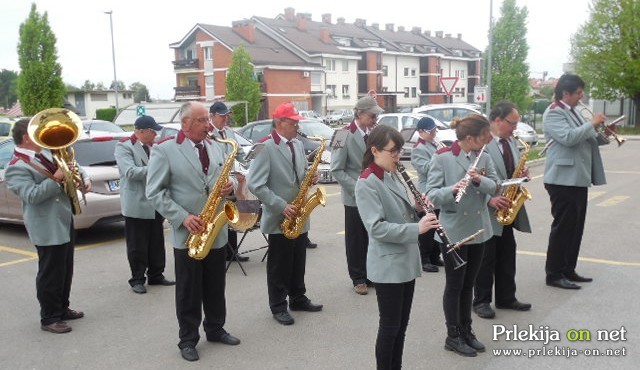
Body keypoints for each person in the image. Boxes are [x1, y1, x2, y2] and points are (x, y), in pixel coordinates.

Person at [146, 101, 241, 362]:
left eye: (207, 120)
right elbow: (154, 192)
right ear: (185, 123)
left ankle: (215, 328)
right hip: (189, 232)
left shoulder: (216, 146)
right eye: (201, 120)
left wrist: (230, 184)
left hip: (215, 230)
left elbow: (225, 176)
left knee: (215, 285)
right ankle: (187, 339)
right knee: (188, 290)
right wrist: (182, 217)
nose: (208, 125)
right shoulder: (164, 150)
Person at [355, 125, 440, 370]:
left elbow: (401, 211)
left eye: (400, 151)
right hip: (388, 263)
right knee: (390, 325)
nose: (398, 156)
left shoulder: (391, 173)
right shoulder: (367, 182)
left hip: (404, 259)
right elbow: (377, 228)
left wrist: (417, 207)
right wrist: (418, 228)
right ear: (375, 150)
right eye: (393, 151)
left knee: (401, 325)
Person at [5, 117, 89, 334]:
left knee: (65, 269)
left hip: (63, 218)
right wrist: (56, 179)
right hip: (45, 225)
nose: (44, 139)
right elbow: (32, 196)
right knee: (50, 273)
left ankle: (62, 308)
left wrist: (82, 178)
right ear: (26, 138)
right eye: (37, 135)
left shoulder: (47, 154)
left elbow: (73, 166)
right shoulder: (16, 166)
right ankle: (49, 317)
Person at [425, 114, 500, 357]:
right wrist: (453, 188)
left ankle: (467, 330)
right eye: (483, 136)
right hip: (455, 229)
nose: (487, 140)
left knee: (470, 284)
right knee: (455, 285)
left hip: (478, 227)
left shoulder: (484, 156)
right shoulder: (443, 158)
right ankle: (453, 334)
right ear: (469, 138)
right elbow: (432, 195)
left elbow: (497, 185)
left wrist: (479, 181)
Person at [247, 102, 323, 326]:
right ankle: (278, 305)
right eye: (293, 122)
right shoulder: (265, 147)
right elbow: (256, 185)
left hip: (299, 212)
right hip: (280, 215)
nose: (297, 126)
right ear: (279, 123)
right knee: (279, 264)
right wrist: (281, 206)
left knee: (298, 259)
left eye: (297, 122)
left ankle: (298, 297)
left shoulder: (297, 145)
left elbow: (298, 174)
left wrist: (309, 177)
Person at [542, 73, 610, 290]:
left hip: (577, 178)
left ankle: (568, 269)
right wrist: (591, 123)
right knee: (563, 227)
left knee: (575, 227)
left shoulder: (572, 111)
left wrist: (602, 132)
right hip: (562, 180)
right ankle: (554, 273)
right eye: (578, 93)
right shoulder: (554, 113)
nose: (581, 97)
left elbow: (585, 137)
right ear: (565, 93)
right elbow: (569, 138)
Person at [472, 102, 532, 319]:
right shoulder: (482, 142)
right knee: (486, 258)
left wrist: (522, 174)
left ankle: (506, 297)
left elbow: (510, 170)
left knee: (507, 254)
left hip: (507, 207)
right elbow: (472, 177)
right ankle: (481, 301)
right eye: (512, 123)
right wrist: (489, 199)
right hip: (488, 209)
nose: (515, 127)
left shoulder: (511, 142)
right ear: (497, 120)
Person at [115, 115, 174, 295]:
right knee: (137, 245)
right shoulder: (124, 146)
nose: (155, 134)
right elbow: (130, 172)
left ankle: (156, 274)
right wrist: (158, 168)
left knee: (156, 241)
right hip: (137, 203)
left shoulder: (153, 146)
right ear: (141, 131)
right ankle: (137, 279)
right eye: (152, 131)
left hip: (155, 201)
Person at [330, 96, 383, 295]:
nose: (375, 118)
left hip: (374, 193)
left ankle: (370, 274)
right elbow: (337, 170)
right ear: (359, 113)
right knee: (356, 239)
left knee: (372, 236)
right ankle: (358, 277)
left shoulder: (374, 133)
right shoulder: (342, 134)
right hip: (354, 195)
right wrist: (359, 188)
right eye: (372, 114)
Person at [208, 101, 249, 263]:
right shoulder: (208, 134)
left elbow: (238, 153)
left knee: (232, 213)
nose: (225, 119)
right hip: (217, 181)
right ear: (211, 116)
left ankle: (232, 252)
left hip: (231, 179)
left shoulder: (229, 132)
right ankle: (219, 250)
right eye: (222, 116)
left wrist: (250, 156)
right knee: (220, 215)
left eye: (227, 116)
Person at [410, 116, 444, 273]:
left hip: (438, 189)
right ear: (421, 132)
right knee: (429, 227)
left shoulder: (434, 144)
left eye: (435, 130)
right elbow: (425, 169)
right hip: (427, 190)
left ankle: (435, 256)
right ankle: (423, 259)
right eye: (431, 131)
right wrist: (441, 157)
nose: (434, 133)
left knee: (439, 225)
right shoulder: (418, 148)